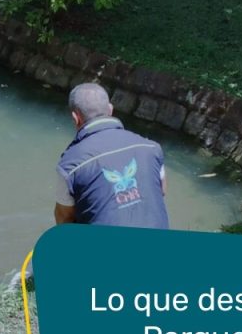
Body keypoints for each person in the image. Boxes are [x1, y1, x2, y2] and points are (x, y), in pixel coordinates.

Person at [55, 83, 169, 229]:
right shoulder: (152, 148)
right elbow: (162, 190)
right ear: (110, 109)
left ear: (75, 118)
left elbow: (64, 219)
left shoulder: (70, 164)